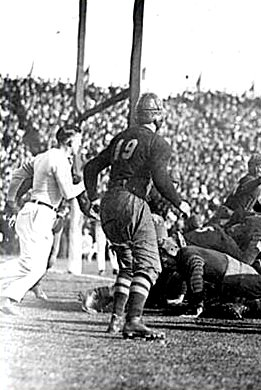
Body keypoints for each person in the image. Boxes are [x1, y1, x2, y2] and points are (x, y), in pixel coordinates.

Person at [83, 92, 191, 340]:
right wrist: (179, 202)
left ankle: (116, 319)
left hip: (109, 201)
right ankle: (133, 321)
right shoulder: (158, 142)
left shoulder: (121, 137)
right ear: (157, 116)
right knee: (150, 265)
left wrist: (93, 197)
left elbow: (91, 167)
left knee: (128, 265)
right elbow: (161, 178)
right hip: (132, 201)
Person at [1, 125, 85, 315]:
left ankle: (7, 299)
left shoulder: (43, 156)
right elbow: (68, 193)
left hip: (38, 213)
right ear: (70, 142)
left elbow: (17, 175)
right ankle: (6, 297)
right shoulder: (59, 160)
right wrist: (85, 182)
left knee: (37, 268)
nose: (80, 144)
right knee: (29, 265)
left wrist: (10, 199)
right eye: (79, 140)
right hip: (40, 213)